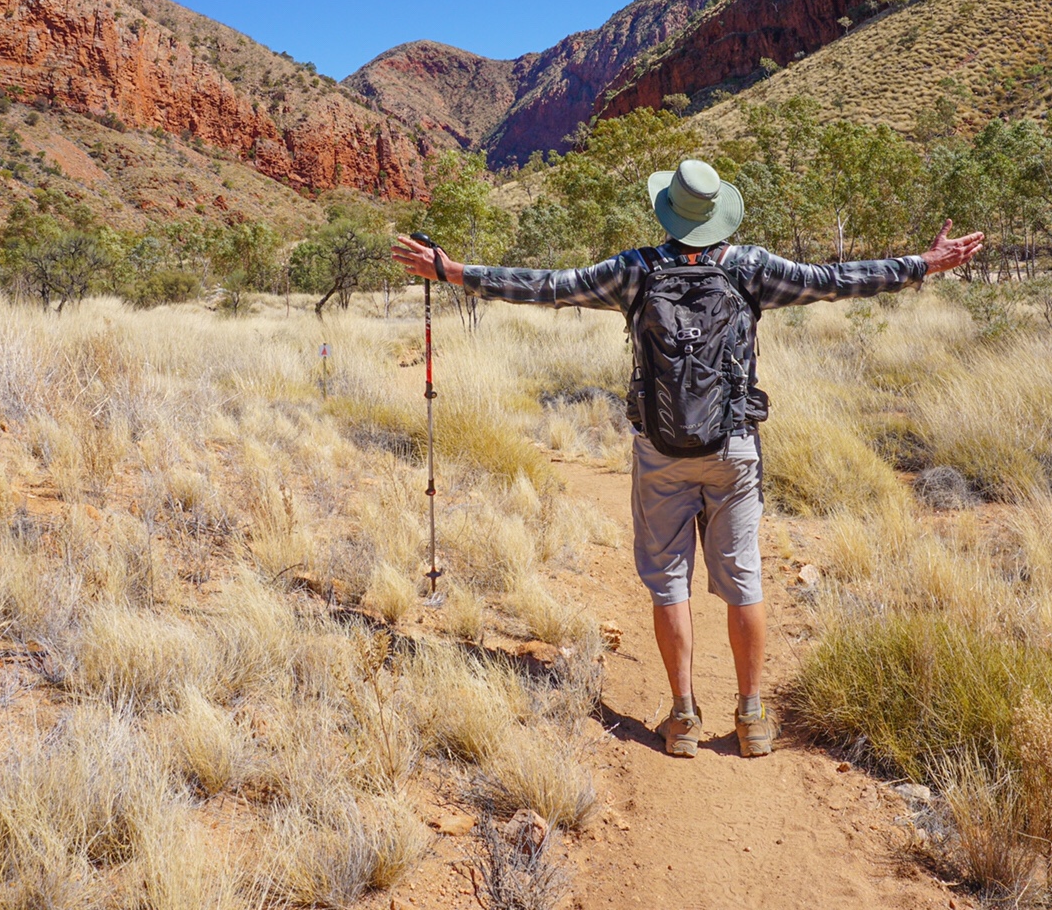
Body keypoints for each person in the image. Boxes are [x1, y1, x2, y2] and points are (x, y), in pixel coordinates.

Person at [393, 158, 983, 759]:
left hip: (661, 449)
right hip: (734, 448)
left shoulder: (634, 271)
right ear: (717, 214)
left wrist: (452, 271)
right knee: (743, 579)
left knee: (669, 583)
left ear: (669, 212)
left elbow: (549, 286)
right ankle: (751, 718)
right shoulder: (751, 268)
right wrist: (923, 264)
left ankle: (682, 717)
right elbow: (837, 280)